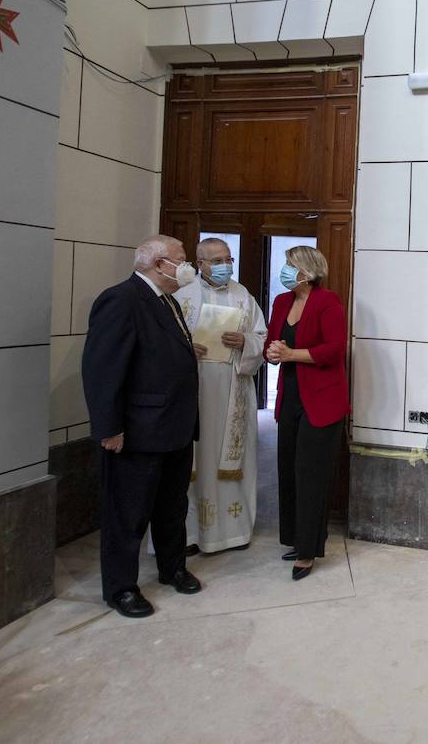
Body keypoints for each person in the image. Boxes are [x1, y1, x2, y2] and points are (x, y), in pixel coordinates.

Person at [81, 235, 205, 618]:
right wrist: (109, 428)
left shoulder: (167, 300)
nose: (188, 267)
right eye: (182, 260)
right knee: (128, 514)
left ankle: (172, 568)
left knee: (171, 506)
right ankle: (121, 588)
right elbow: (102, 369)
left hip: (174, 428)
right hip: (136, 431)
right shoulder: (121, 299)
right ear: (159, 263)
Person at [173, 238, 267, 554]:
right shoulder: (182, 298)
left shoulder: (243, 297)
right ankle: (188, 535)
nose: (225, 264)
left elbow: (261, 337)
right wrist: (186, 350)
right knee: (192, 462)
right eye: (217, 260)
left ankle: (233, 532)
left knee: (232, 460)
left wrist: (245, 342)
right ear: (199, 263)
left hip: (232, 388)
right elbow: (161, 344)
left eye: (228, 258)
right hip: (194, 390)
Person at [262, 245, 349, 581]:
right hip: (290, 396)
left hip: (322, 399)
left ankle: (310, 550)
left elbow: (333, 349)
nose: (284, 270)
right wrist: (271, 353)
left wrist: (291, 353)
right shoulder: (282, 302)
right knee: (288, 470)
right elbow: (274, 344)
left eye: (290, 265)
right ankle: (297, 540)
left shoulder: (327, 302)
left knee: (311, 473)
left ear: (308, 271)